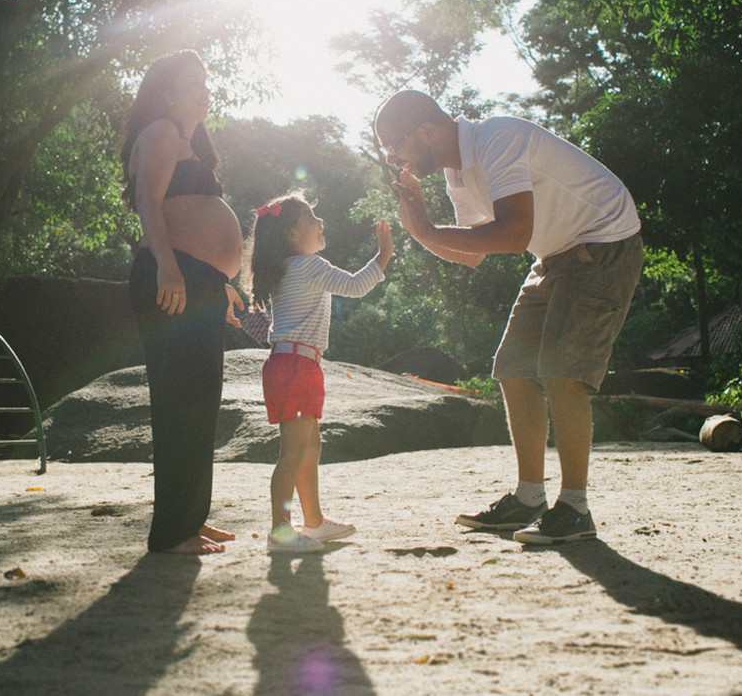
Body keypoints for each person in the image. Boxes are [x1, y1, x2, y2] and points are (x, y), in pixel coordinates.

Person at [374, 89, 642, 545]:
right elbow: (473, 256)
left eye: (394, 145)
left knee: (562, 373)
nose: (393, 157)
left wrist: (429, 229)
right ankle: (529, 497)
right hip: (555, 255)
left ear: (426, 131)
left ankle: (575, 508)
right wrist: (420, 228)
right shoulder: (456, 177)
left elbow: (514, 235)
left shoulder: (498, 138)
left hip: (604, 242)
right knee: (514, 371)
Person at [120, 49, 245, 555]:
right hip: (172, 276)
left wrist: (220, 280)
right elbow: (149, 202)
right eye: (193, 80)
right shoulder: (163, 132)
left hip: (199, 282)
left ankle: (190, 518)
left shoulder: (190, 144)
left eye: (206, 78)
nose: (205, 88)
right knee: (179, 403)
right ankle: (172, 532)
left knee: (200, 403)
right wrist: (170, 267)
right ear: (168, 91)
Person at [243, 193, 394, 553]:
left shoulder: (287, 269)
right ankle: (280, 532)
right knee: (294, 452)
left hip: (296, 364)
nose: (321, 222)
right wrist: (383, 254)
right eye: (313, 217)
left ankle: (313, 523)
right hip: (296, 366)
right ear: (291, 234)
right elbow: (356, 286)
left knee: (309, 446)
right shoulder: (309, 266)